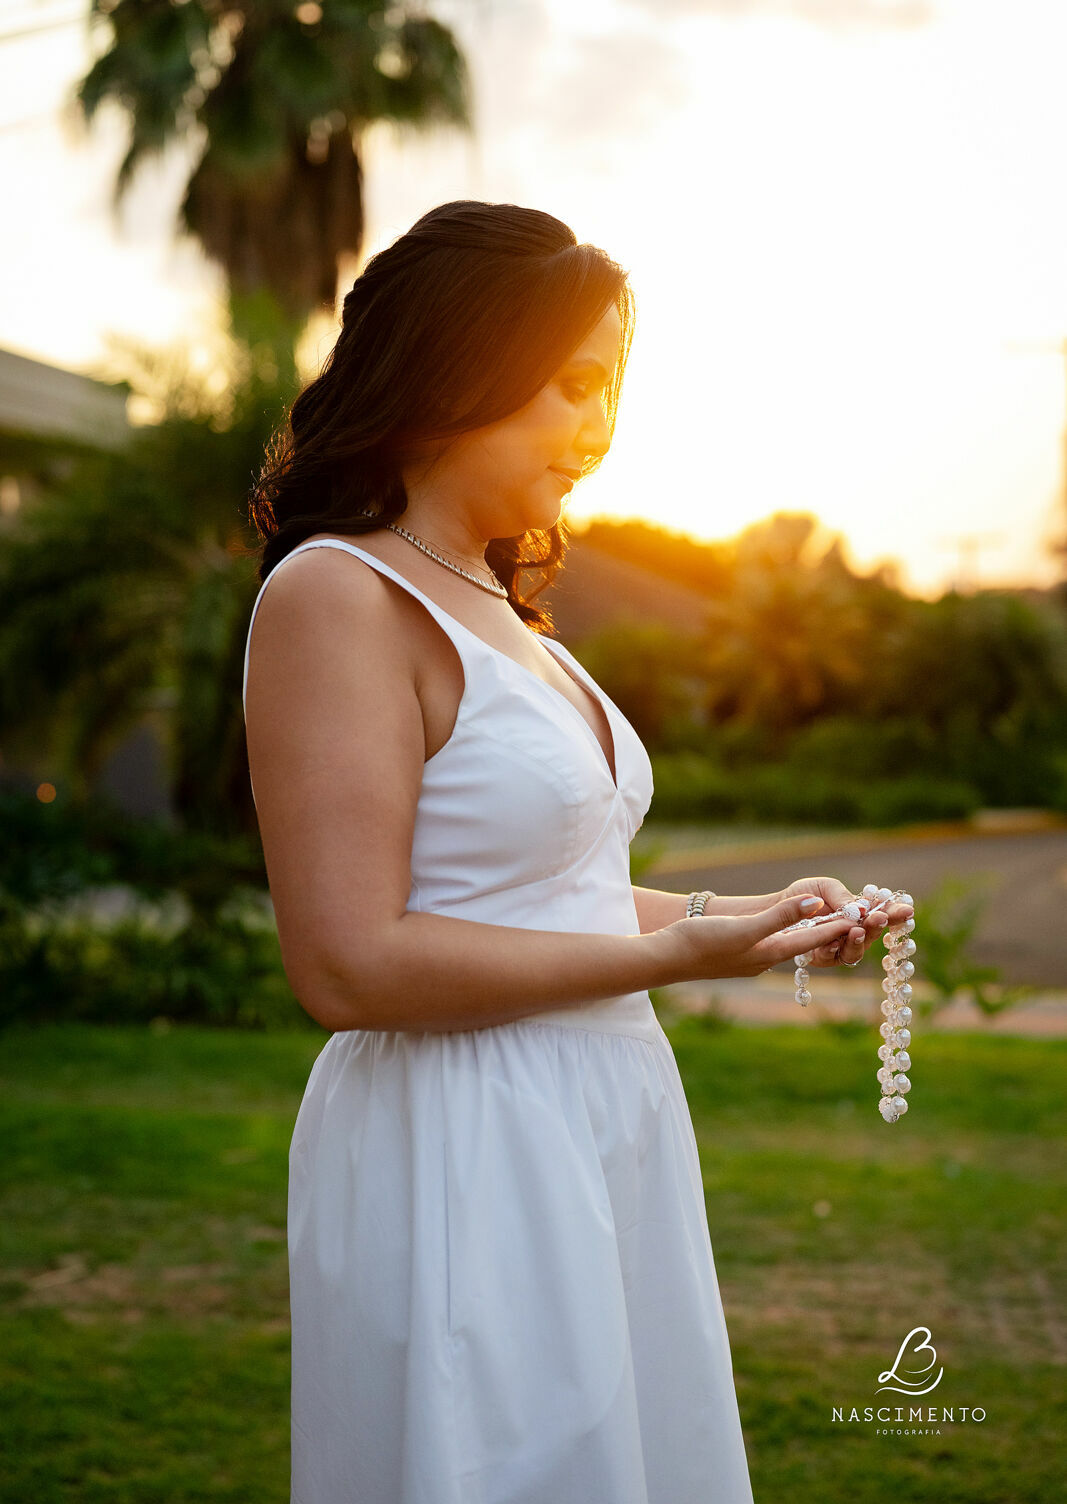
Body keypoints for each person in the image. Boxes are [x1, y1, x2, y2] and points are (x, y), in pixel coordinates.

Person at [241, 200, 907, 1504]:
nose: (600, 427)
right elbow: (347, 963)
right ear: (458, 364)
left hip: (600, 1112)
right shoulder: (337, 594)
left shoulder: (507, 605)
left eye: (615, 390)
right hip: (465, 1133)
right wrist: (667, 959)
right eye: (574, 385)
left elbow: (553, 891)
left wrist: (744, 915)